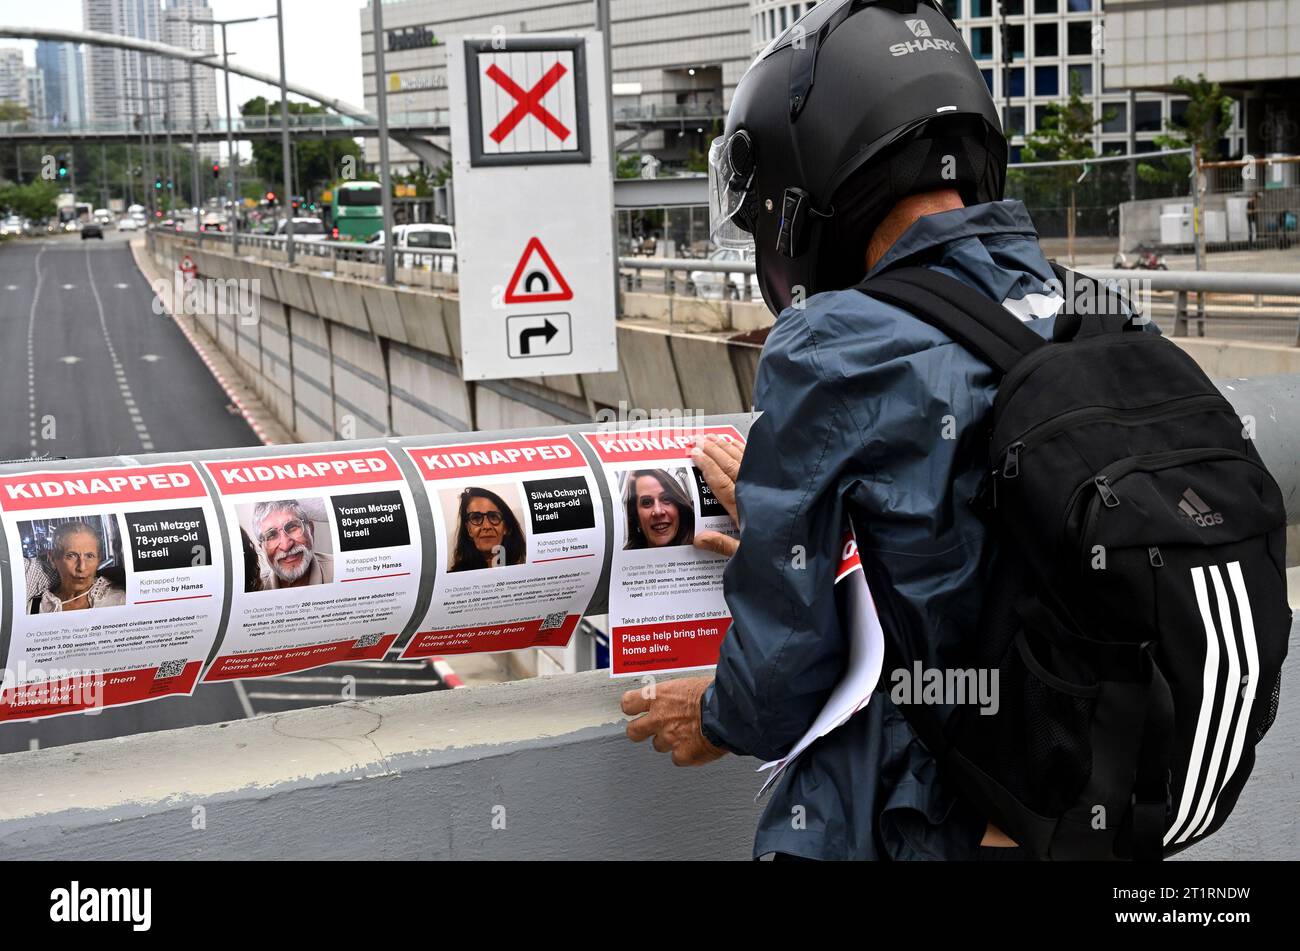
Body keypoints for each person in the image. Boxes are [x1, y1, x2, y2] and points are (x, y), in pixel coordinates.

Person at [620, 0, 1090, 860]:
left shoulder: (833, 343)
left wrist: (720, 714)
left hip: (935, 809)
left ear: (815, 177)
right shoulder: (1091, 311)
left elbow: (783, 662)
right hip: (1085, 789)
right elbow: (977, 520)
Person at [32, 521, 126, 613]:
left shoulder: (120, 600)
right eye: (71, 555)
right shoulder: (35, 607)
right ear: (52, 558)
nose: (81, 567)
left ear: (98, 560)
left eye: (89, 556)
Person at [251, 500, 333, 589]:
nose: (286, 546)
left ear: (311, 530)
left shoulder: (340, 569)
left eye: (292, 527)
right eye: (271, 536)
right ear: (262, 548)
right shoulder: (256, 588)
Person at [449, 487, 525, 572]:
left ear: (506, 528)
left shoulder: (523, 572)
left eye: (494, 517)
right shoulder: (453, 579)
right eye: (476, 518)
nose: (486, 526)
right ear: (469, 530)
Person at [623, 469, 695, 550]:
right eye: (646, 502)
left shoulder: (703, 550)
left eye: (666, 499)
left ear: (679, 509)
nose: (658, 511)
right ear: (637, 517)